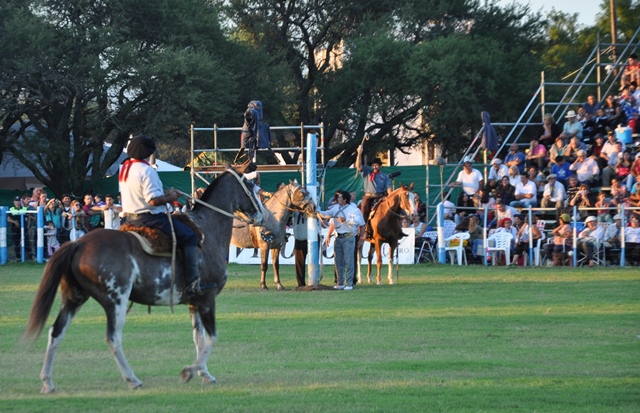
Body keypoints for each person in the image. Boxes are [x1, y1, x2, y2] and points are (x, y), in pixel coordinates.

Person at [119, 134, 203, 298]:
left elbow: (141, 194)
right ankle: (192, 283)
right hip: (149, 218)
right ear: (148, 152)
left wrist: (167, 193)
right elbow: (153, 201)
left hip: (129, 217)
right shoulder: (146, 170)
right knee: (190, 236)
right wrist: (171, 198)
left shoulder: (125, 168)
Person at [318, 190, 364, 290]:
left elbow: (359, 222)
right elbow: (326, 214)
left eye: (339, 197)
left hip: (349, 237)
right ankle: (340, 282)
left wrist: (346, 219)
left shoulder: (353, 209)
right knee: (338, 261)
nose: (337, 199)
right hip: (338, 237)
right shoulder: (335, 208)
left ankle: (349, 283)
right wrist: (317, 210)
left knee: (349, 261)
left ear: (344, 199)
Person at [355, 144, 392, 238]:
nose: (374, 167)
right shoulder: (367, 172)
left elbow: (389, 189)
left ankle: (396, 228)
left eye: (376, 165)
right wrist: (359, 153)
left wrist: (391, 197)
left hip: (380, 196)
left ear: (380, 166)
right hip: (368, 196)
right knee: (363, 207)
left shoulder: (385, 177)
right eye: (373, 165)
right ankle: (364, 229)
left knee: (393, 208)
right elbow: (358, 166)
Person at [8, 196, 32, 261]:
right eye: (16, 201)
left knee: (26, 242)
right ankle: (18, 257)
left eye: (18, 201)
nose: (17, 202)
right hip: (15, 229)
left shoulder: (24, 209)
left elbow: (29, 217)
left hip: (24, 228)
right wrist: (14, 222)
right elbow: (8, 219)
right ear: (14, 202)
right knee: (17, 243)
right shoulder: (11, 209)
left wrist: (28, 225)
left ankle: (29, 256)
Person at [292, 211, 308, 288]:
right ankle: (301, 284)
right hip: (299, 239)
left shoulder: (310, 207)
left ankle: (314, 282)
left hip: (311, 239)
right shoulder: (295, 212)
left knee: (314, 263)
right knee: (299, 264)